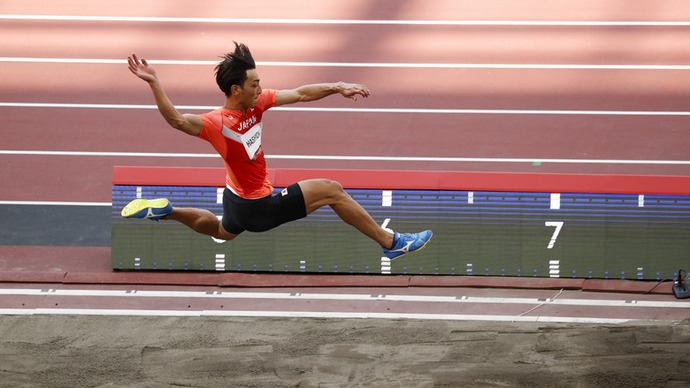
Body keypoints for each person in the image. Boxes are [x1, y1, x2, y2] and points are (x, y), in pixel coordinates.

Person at [121, 42, 432, 259]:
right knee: (332, 190)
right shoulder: (216, 123)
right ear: (236, 90)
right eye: (255, 83)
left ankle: (167, 212)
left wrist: (337, 86)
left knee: (220, 229)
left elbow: (299, 93)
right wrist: (154, 83)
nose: (260, 87)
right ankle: (391, 242)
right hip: (257, 207)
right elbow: (176, 120)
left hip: (235, 199)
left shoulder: (257, 103)